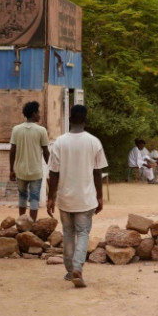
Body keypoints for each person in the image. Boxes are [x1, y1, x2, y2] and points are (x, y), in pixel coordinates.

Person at [46, 105, 107, 288]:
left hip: (65, 198)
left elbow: (53, 174)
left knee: (68, 234)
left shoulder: (59, 143)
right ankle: (77, 268)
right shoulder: (94, 142)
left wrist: (51, 197)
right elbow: (98, 172)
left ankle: (70, 270)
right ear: (85, 120)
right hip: (86, 198)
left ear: (70, 119)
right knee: (83, 233)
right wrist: (100, 197)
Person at [9, 101, 49, 220]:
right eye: (38, 112)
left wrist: (11, 169)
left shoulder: (16, 129)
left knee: (22, 196)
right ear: (33, 113)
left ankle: (21, 223)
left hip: (20, 171)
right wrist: (51, 168)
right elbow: (46, 151)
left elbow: (12, 150)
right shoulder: (41, 130)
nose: (39, 115)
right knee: (34, 198)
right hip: (36, 172)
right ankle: (31, 225)